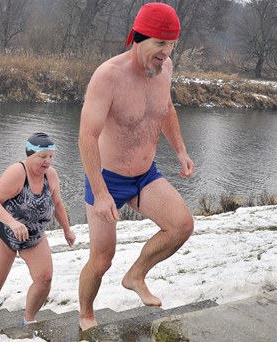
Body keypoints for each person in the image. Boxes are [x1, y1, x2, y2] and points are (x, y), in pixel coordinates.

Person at [77, 3, 195, 331]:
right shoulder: (108, 76)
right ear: (139, 37)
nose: (167, 51)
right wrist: (100, 193)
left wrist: (181, 151)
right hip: (108, 179)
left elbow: (166, 109)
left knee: (182, 225)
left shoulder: (165, 67)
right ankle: (86, 315)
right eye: (160, 43)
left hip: (145, 174)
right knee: (101, 260)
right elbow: (87, 137)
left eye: (172, 44)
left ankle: (137, 274)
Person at [0, 133, 75, 330]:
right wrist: (12, 223)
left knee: (45, 278)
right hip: (2, 232)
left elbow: (57, 203)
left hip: (34, 235)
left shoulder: (51, 175)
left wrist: (67, 229)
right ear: (30, 155)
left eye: (51, 156)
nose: (47, 161)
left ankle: (29, 319)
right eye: (42, 156)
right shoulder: (17, 172)